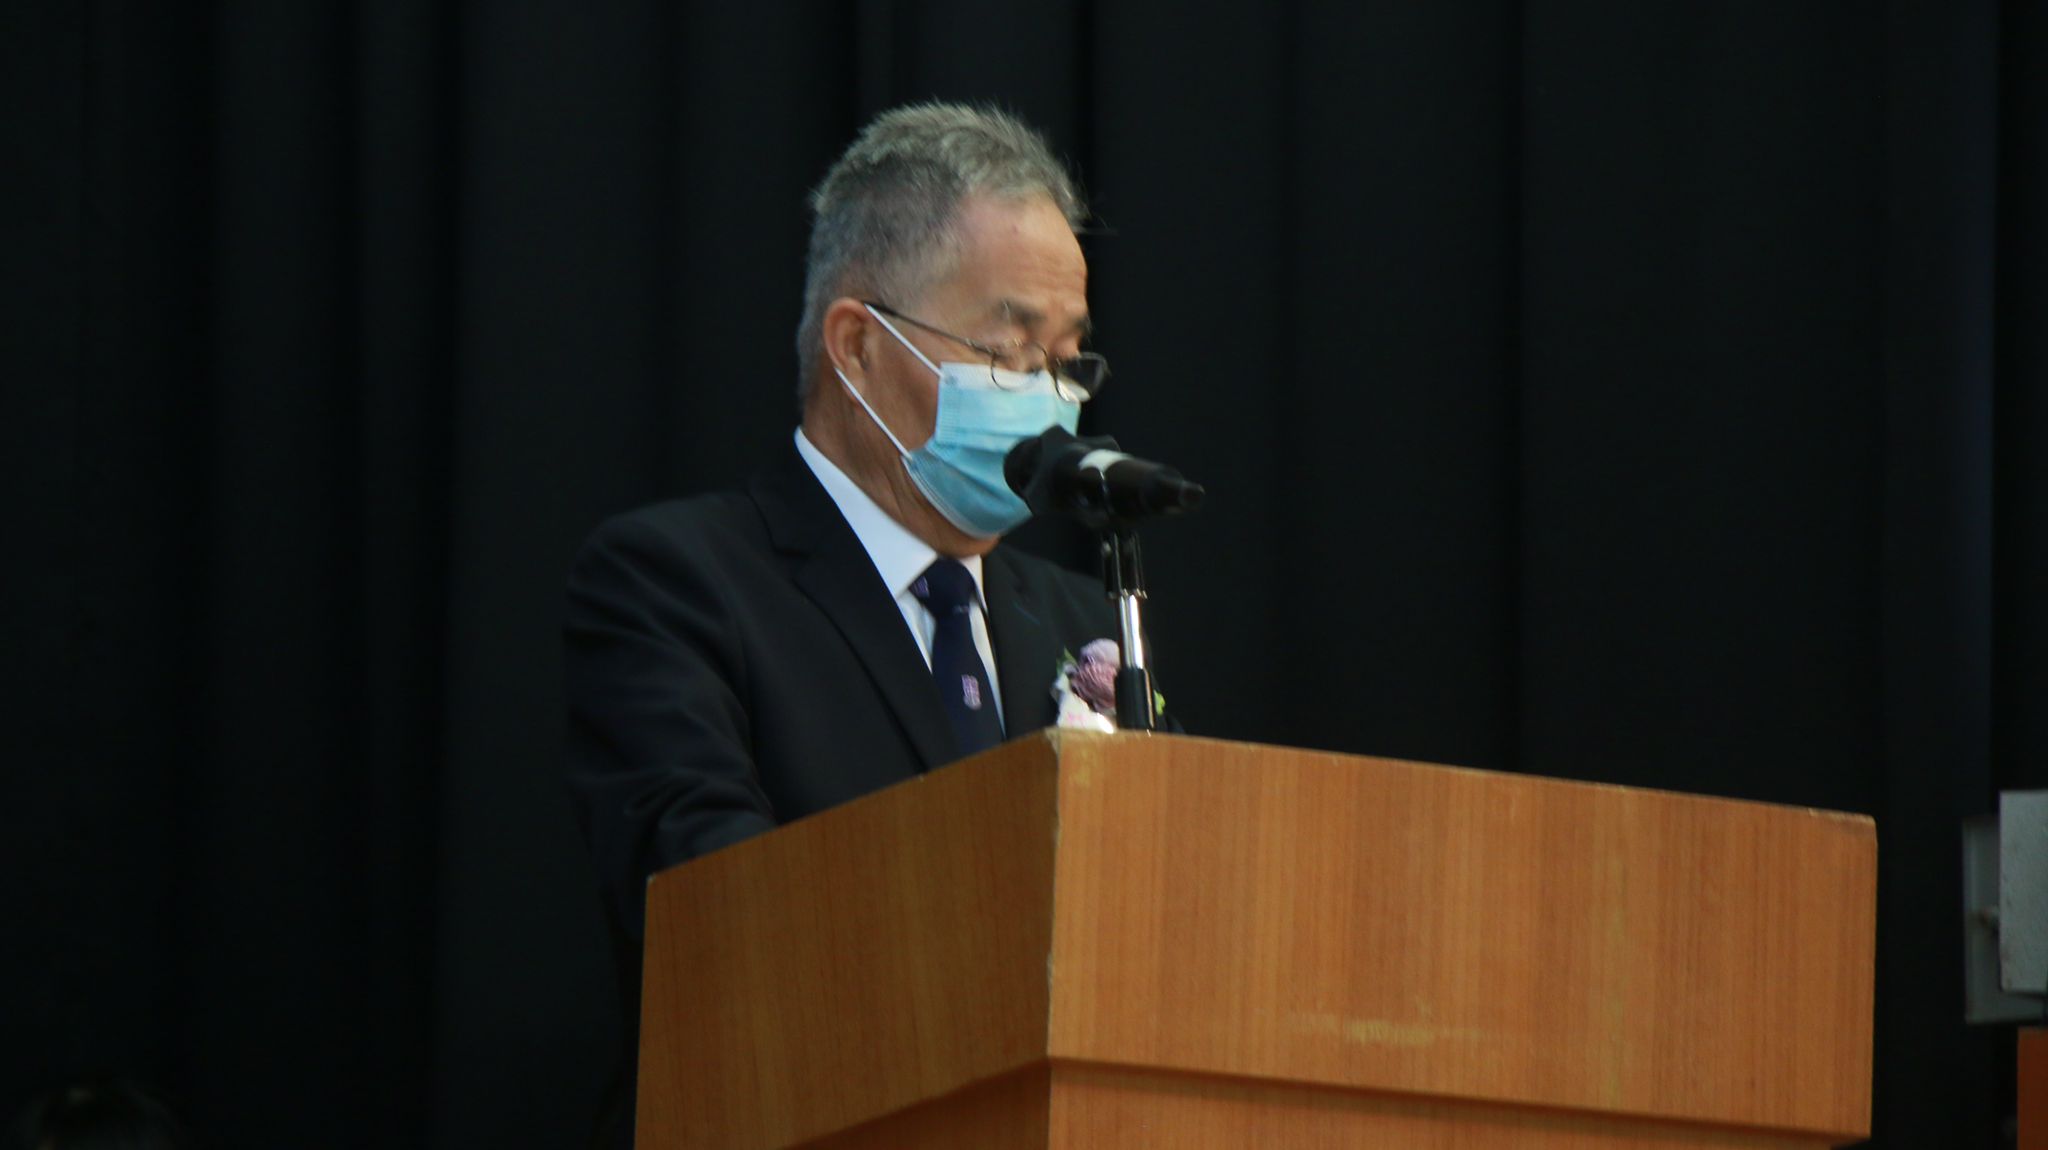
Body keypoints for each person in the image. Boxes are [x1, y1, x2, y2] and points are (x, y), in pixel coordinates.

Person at [563, 104, 1130, 1135]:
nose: (1047, 399)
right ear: (858, 347)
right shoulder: (676, 583)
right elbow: (713, 909)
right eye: (1010, 352)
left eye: (1067, 360)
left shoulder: (1082, 615)